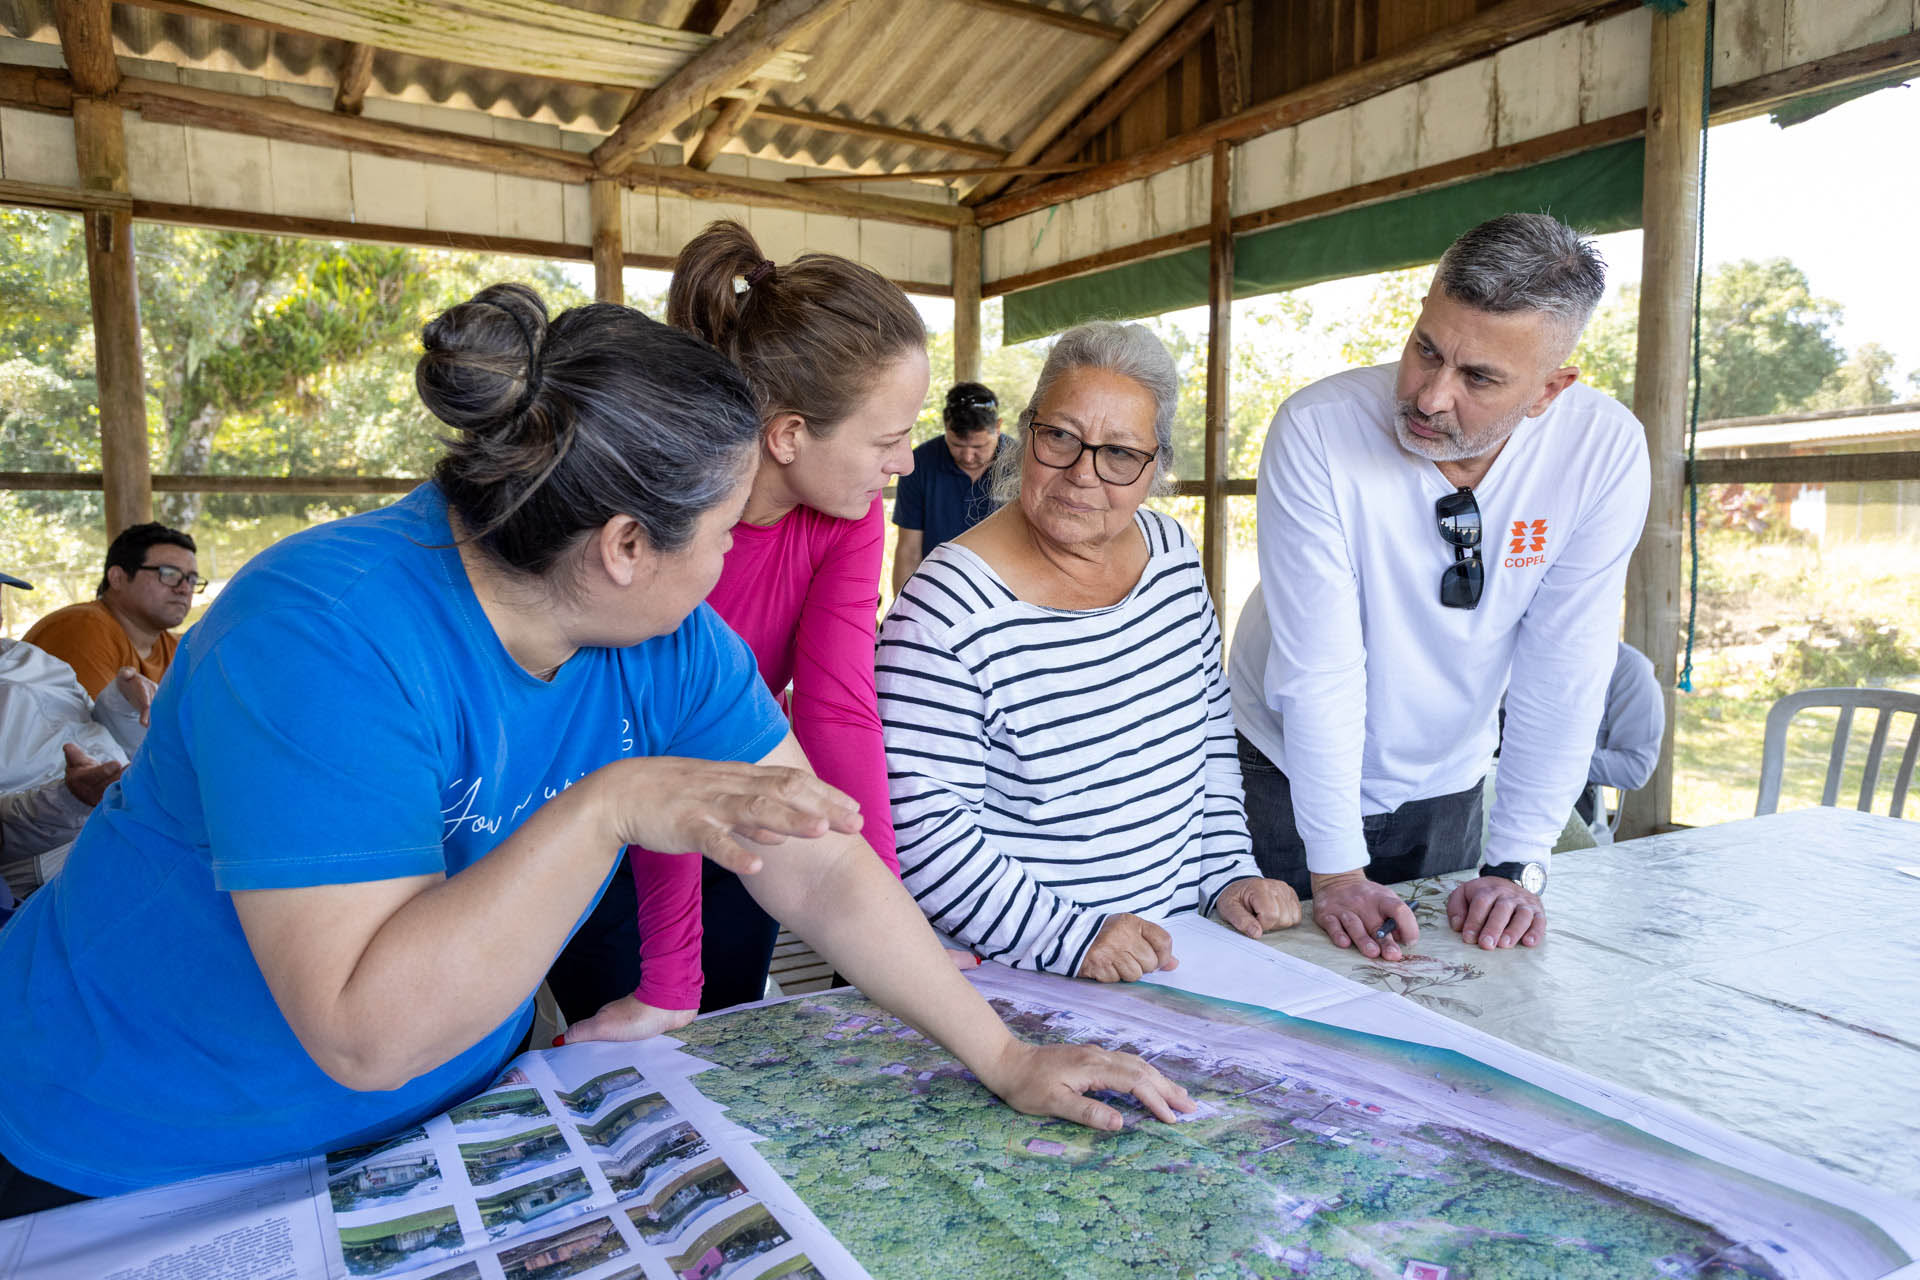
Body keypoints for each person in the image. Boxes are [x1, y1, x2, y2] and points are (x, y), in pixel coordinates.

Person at [0, 283, 1190, 1216]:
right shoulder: (325, 634)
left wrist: (1002, 1052)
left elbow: (815, 855)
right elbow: (366, 1025)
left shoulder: (662, 635)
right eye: (723, 533)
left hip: (412, 1131)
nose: (733, 563)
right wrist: (611, 805)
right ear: (626, 543)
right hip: (125, 1138)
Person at [1230, 212, 1650, 960]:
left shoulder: (1603, 450)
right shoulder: (1318, 430)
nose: (1428, 397)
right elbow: (1321, 667)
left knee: (1444, 988)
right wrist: (1336, 872)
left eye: (1479, 379)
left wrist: (1517, 861)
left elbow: (1567, 663)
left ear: (1550, 389)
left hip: (1449, 777)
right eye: (1426, 350)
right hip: (1283, 768)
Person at [547, 220, 924, 1034]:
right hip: (609, 833)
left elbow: (838, 709)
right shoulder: (673, 523)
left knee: (737, 1034)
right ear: (789, 435)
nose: (907, 464)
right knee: (646, 1047)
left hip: (742, 808)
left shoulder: (847, 513)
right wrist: (671, 980)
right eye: (888, 440)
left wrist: (895, 930)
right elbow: (656, 762)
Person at [878, 323, 1300, 983]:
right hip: (1024, 976)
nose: (1083, 474)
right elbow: (924, 830)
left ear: (1154, 465)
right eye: (1061, 438)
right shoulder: (947, 607)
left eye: (1121, 454)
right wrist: (1072, 939)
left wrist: (1227, 874)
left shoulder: (1171, 557)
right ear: (1027, 433)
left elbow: (1209, 737)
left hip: (1180, 954)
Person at [0, 636, 153, 908]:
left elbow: (90, 727)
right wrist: (70, 801)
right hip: (53, 856)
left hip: (124, 811)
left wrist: (123, 704)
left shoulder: (28, 657)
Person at [22, 522, 200, 696]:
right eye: (169, 574)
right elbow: (101, 724)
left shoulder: (176, 648)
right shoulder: (83, 628)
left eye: (191, 580)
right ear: (117, 578)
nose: (184, 589)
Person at [890, 381, 1010, 594]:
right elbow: (909, 550)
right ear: (945, 428)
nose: (967, 456)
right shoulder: (919, 464)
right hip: (936, 590)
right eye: (956, 445)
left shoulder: (1020, 464)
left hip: (1005, 589)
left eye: (979, 447)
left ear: (998, 427)